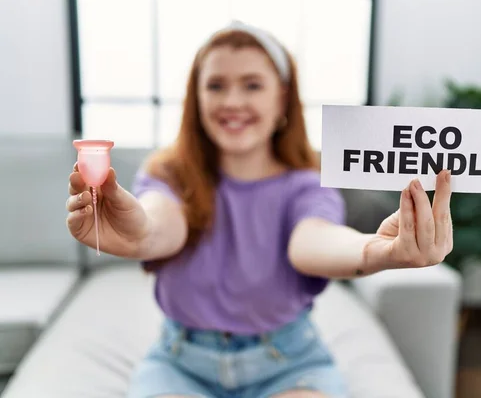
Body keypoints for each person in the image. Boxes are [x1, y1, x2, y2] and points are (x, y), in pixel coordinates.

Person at [65, 21, 453, 398]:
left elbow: (313, 240)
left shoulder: (306, 183)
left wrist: (374, 250)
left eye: (252, 85)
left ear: (282, 97)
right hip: (180, 365)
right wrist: (137, 233)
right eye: (216, 85)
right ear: (196, 98)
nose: (233, 101)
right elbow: (158, 224)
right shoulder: (169, 173)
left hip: (290, 363)